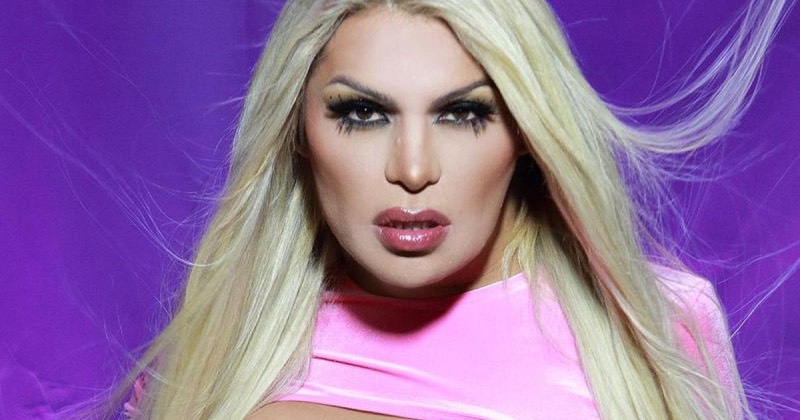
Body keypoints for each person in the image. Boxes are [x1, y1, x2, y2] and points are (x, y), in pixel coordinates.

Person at [117, 0, 788, 418]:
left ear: (526, 132)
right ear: (297, 130)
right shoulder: (217, 349)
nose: (413, 170)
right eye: (363, 113)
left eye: (463, 113)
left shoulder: (657, 329)